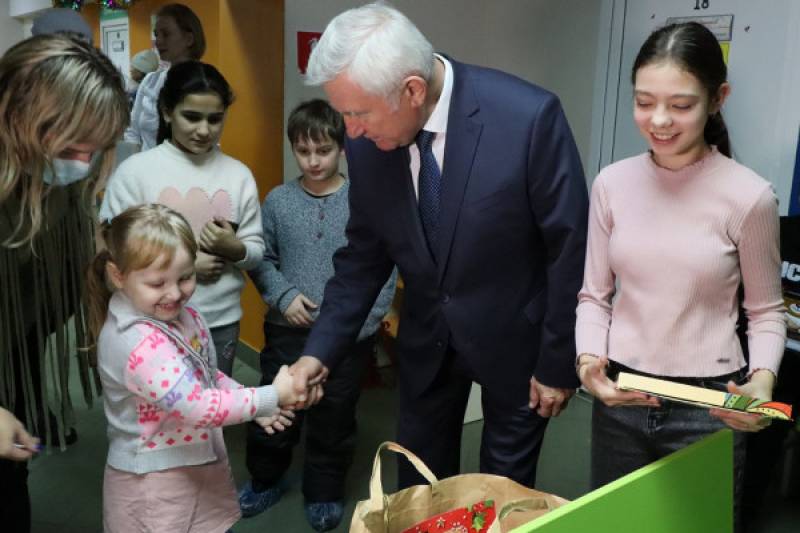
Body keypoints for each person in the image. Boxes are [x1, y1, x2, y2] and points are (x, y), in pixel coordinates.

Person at [292, 2, 589, 490]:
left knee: (501, 493)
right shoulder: (367, 145)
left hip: (516, 344)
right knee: (417, 485)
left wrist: (559, 363)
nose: (351, 131)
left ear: (412, 90)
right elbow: (362, 259)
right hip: (427, 344)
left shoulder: (528, 118)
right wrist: (317, 354)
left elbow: (570, 248)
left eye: (358, 113)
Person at [574, 22, 785, 531]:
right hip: (623, 396)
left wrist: (762, 381)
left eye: (681, 105)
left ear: (718, 99)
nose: (659, 120)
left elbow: (766, 312)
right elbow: (594, 297)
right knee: (616, 526)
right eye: (644, 102)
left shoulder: (749, 196)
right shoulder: (612, 184)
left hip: (709, 407)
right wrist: (587, 362)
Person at [85, 203, 299, 533]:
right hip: (155, 487)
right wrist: (269, 396)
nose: (175, 293)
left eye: (185, 277)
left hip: (189, 467)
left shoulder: (176, 315)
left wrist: (250, 401)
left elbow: (204, 375)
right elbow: (197, 405)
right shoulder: (138, 345)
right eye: (157, 283)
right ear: (118, 276)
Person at [237, 99, 397, 531]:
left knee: (334, 417)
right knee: (275, 407)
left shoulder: (363, 201)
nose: (313, 161)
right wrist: (283, 296)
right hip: (286, 330)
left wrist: (360, 324)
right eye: (303, 151)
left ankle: (324, 491)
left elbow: (383, 269)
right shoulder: (278, 201)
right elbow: (261, 259)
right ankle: (265, 478)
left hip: (347, 341)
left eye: (323, 150)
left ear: (341, 148)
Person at [0, 34, 128, 532]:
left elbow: (80, 247)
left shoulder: (59, 182)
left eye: (95, 148)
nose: (81, 162)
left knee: (12, 480)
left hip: (14, 351)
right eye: (72, 143)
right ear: (19, 117)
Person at [100, 60, 264, 377]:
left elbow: (256, 252)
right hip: (148, 321)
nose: (204, 130)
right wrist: (184, 269)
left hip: (219, 321)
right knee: (155, 404)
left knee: (215, 399)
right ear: (167, 111)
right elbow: (113, 251)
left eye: (215, 119)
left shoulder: (238, 175)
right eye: (192, 117)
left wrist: (235, 249)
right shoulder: (135, 173)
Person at [124, 3, 205, 151]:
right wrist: (135, 161)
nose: (158, 41)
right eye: (156, 35)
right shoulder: (150, 81)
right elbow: (133, 132)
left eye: (166, 34)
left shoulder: (206, 84)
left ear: (189, 39)